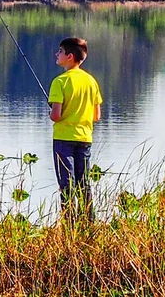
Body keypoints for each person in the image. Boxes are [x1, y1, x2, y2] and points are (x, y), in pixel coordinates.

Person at [49, 37, 103, 222]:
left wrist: (51, 112)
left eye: (60, 51)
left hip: (63, 139)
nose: (57, 54)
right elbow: (96, 116)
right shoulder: (91, 81)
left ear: (70, 56)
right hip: (85, 139)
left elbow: (56, 116)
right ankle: (89, 222)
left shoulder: (60, 82)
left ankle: (69, 224)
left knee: (67, 184)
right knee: (83, 184)